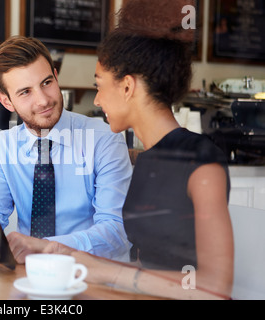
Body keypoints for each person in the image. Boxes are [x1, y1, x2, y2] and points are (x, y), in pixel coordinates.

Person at [44, 0, 234, 299]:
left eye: (99, 85)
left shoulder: (199, 161)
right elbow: (148, 263)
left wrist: (106, 270)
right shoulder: (148, 158)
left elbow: (216, 285)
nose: (97, 100)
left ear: (127, 86)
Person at [0, 36, 133, 263]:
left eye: (47, 83)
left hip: (94, 276)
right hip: (31, 275)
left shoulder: (104, 140)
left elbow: (117, 231)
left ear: (56, 77)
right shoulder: (3, 146)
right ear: (6, 102)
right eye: (25, 92)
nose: (43, 100)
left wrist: (50, 247)